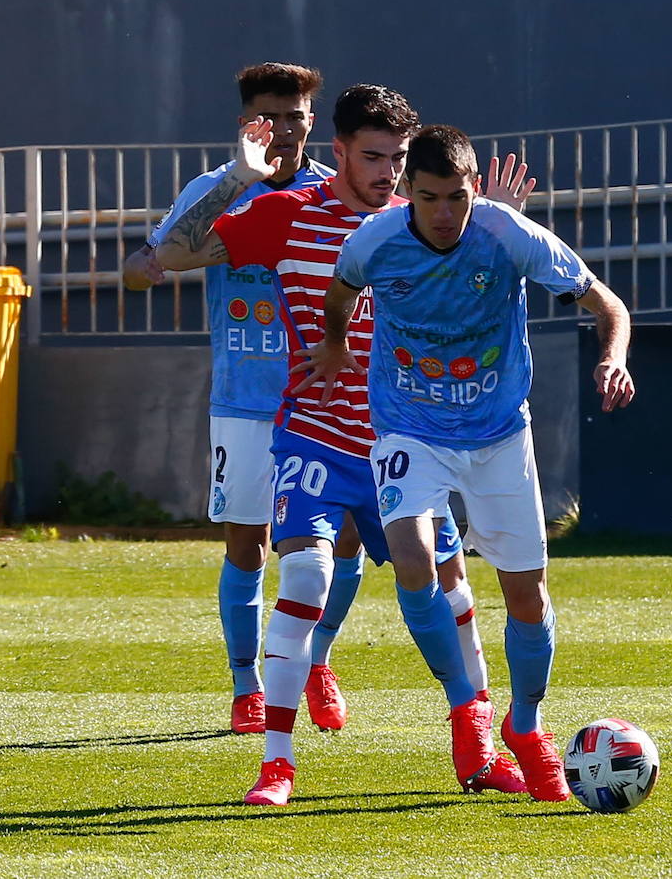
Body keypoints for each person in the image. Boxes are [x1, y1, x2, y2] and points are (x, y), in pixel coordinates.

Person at [153, 86, 534, 806]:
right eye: (373, 157)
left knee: (453, 595)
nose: (389, 172)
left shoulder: (422, 220)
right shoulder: (287, 214)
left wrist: (504, 230)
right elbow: (168, 254)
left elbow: (480, 294)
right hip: (316, 437)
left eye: (398, 157)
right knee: (303, 580)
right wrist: (238, 177)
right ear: (339, 153)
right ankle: (276, 765)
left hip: (404, 444)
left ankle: (477, 749)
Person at [300, 124, 635, 802]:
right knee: (413, 559)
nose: (445, 212)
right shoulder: (375, 242)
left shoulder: (509, 235)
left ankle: (527, 727)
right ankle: (466, 709)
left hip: (499, 437)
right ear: (409, 194)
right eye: (429, 198)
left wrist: (614, 357)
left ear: (474, 188)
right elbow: (339, 294)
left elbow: (608, 305)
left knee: (527, 598)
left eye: (456, 196)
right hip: (408, 430)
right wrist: (334, 345)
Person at [122, 62, 360, 735]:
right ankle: (246, 686)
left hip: (322, 397)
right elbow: (146, 267)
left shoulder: (338, 193)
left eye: (296, 116)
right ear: (246, 122)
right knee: (247, 543)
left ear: (314, 121)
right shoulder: (217, 188)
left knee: (341, 540)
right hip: (244, 399)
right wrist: (237, 181)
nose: (283, 130)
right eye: (269, 117)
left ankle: (317, 662)